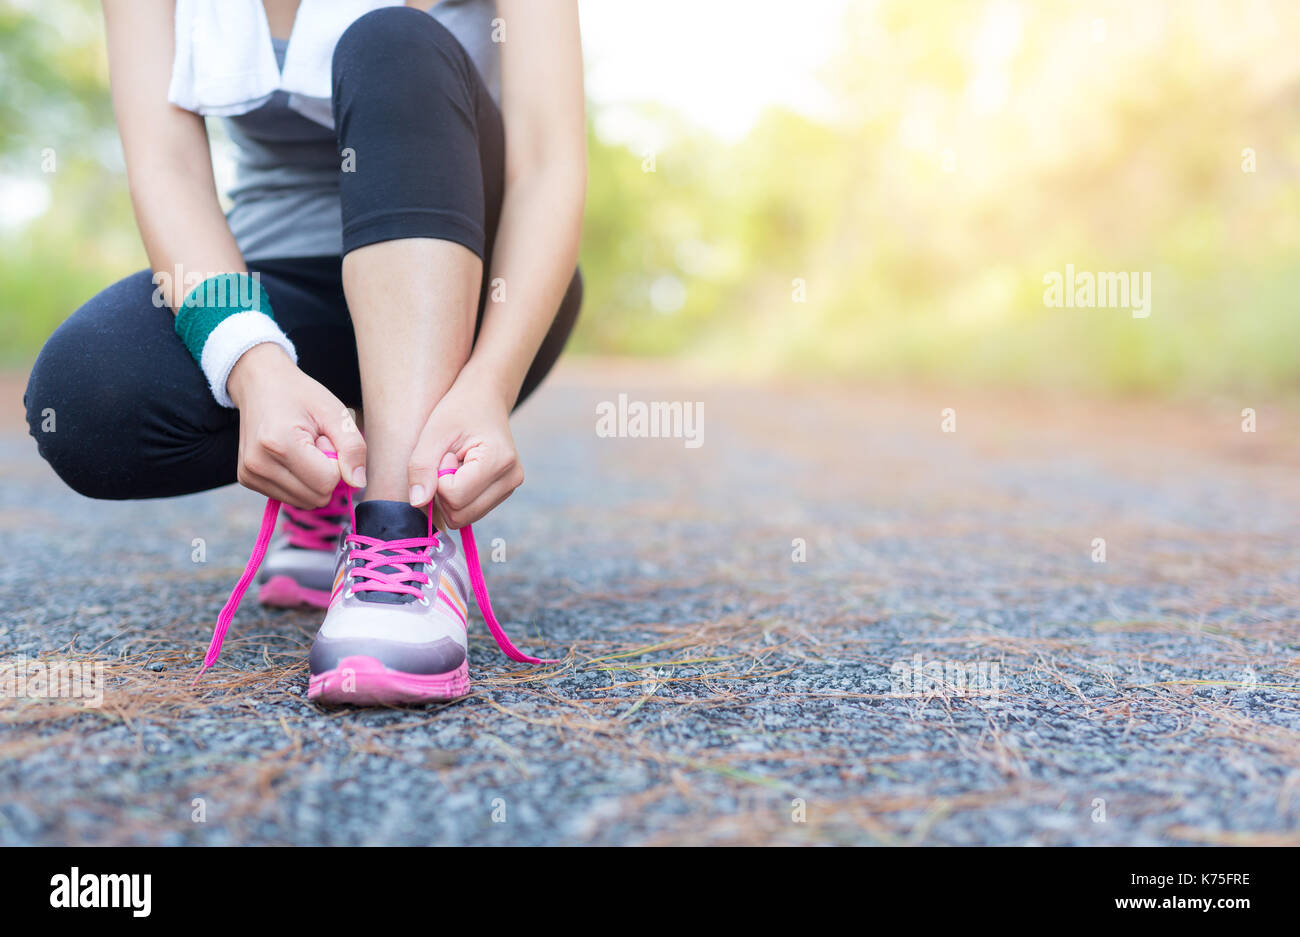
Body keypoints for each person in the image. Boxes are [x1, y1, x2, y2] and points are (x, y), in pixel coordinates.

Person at [22, 0, 586, 705]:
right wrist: (255, 363)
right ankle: (333, 476)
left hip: (480, 285)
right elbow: (169, 169)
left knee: (391, 40)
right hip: (284, 281)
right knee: (87, 396)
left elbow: (546, 165)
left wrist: (492, 380)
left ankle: (400, 527)